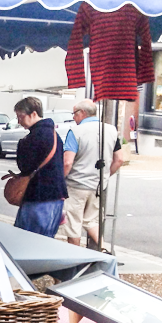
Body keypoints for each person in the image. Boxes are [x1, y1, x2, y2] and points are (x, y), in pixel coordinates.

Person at [60, 99, 125, 248]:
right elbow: (119, 159)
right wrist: (105, 177)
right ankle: (105, 248)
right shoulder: (110, 130)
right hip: (97, 186)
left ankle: (74, 260)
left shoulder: (75, 132)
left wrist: (60, 180)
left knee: (73, 225)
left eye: (74, 114)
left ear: (82, 113)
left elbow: (67, 162)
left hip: (76, 185)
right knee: (91, 221)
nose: (74, 118)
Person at [11, 97, 67, 237]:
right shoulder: (55, 135)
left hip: (38, 196)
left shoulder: (34, 138)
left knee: (27, 240)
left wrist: (21, 145)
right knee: (46, 241)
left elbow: (25, 167)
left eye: (20, 116)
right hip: (56, 196)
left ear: (33, 114)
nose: (19, 121)